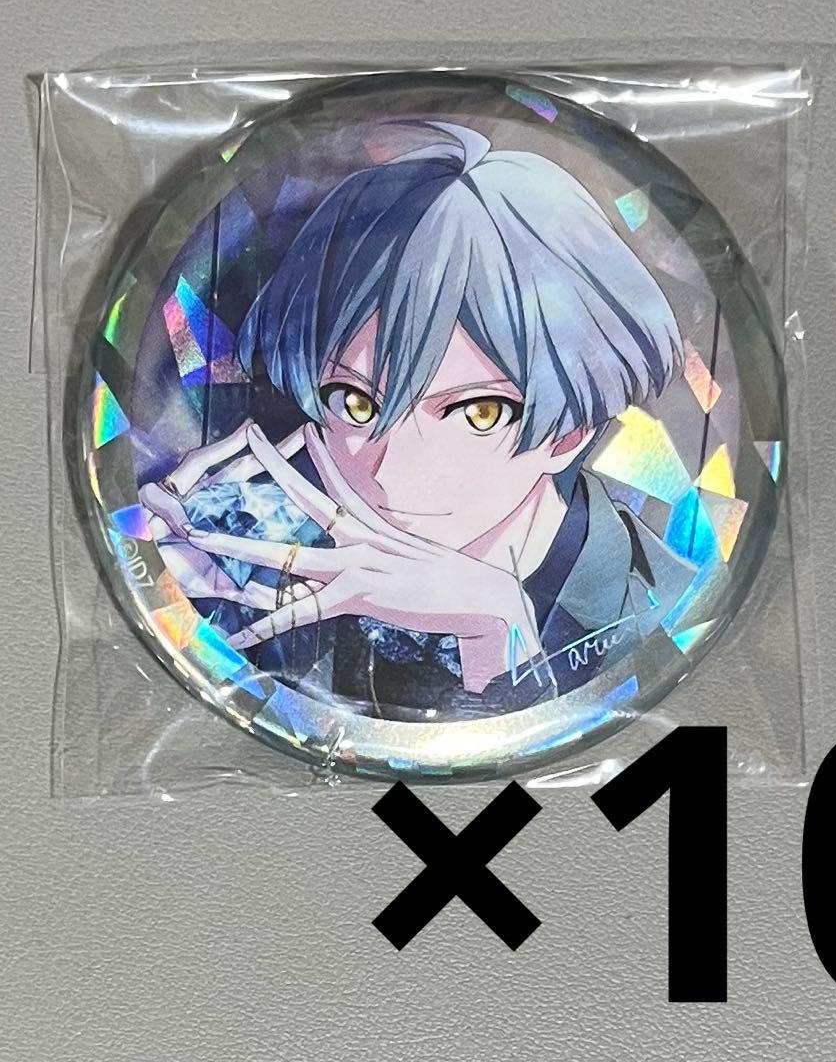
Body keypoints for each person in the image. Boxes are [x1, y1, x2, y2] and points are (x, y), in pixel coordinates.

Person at [141, 121, 696, 718]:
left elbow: (631, 742)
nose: (390, 474)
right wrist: (171, 589)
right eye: (355, 403)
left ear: (569, 433)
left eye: (478, 413)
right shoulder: (268, 553)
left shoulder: (659, 610)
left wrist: (501, 645)